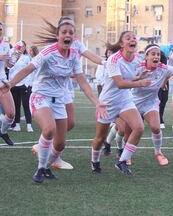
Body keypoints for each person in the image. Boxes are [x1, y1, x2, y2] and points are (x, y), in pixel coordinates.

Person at [0, 17, 107, 183]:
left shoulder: (73, 55)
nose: (67, 35)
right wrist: (11, 83)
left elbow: (82, 81)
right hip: (40, 96)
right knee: (49, 129)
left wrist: (97, 102)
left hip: (59, 100)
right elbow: (28, 69)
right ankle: (40, 168)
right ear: (58, 35)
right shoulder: (47, 53)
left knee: (60, 145)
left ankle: (46, 166)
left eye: (71, 33)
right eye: (64, 32)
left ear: (74, 37)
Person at [31, 17, 105, 170]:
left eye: (71, 29)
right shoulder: (52, 49)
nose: (69, 33)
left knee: (69, 123)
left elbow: (91, 56)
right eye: (65, 29)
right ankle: (53, 155)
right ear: (59, 32)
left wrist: (105, 62)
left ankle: (47, 146)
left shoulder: (76, 43)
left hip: (65, 87)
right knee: (52, 127)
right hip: (49, 89)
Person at [90, 31, 150, 175]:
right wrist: (140, 83)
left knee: (139, 128)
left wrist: (138, 77)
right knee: (100, 139)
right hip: (108, 103)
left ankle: (122, 161)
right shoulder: (113, 59)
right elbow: (119, 83)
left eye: (134, 38)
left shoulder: (137, 59)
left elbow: (128, 79)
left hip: (124, 100)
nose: (132, 40)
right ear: (122, 44)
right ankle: (95, 162)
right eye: (128, 38)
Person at [8, 40, 33, 132]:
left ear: (24, 48)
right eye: (19, 46)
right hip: (14, 84)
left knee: (26, 105)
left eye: (22, 46)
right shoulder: (12, 56)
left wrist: (28, 84)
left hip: (24, 84)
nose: (20, 48)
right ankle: (17, 124)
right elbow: (9, 68)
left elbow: (30, 71)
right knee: (16, 105)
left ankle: (29, 125)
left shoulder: (27, 58)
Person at [0, 21, 15, 145]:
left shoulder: (6, 45)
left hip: (2, 81)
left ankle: (3, 132)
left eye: (0, 29)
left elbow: (9, 64)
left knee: (10, 114)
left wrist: (13, 60)